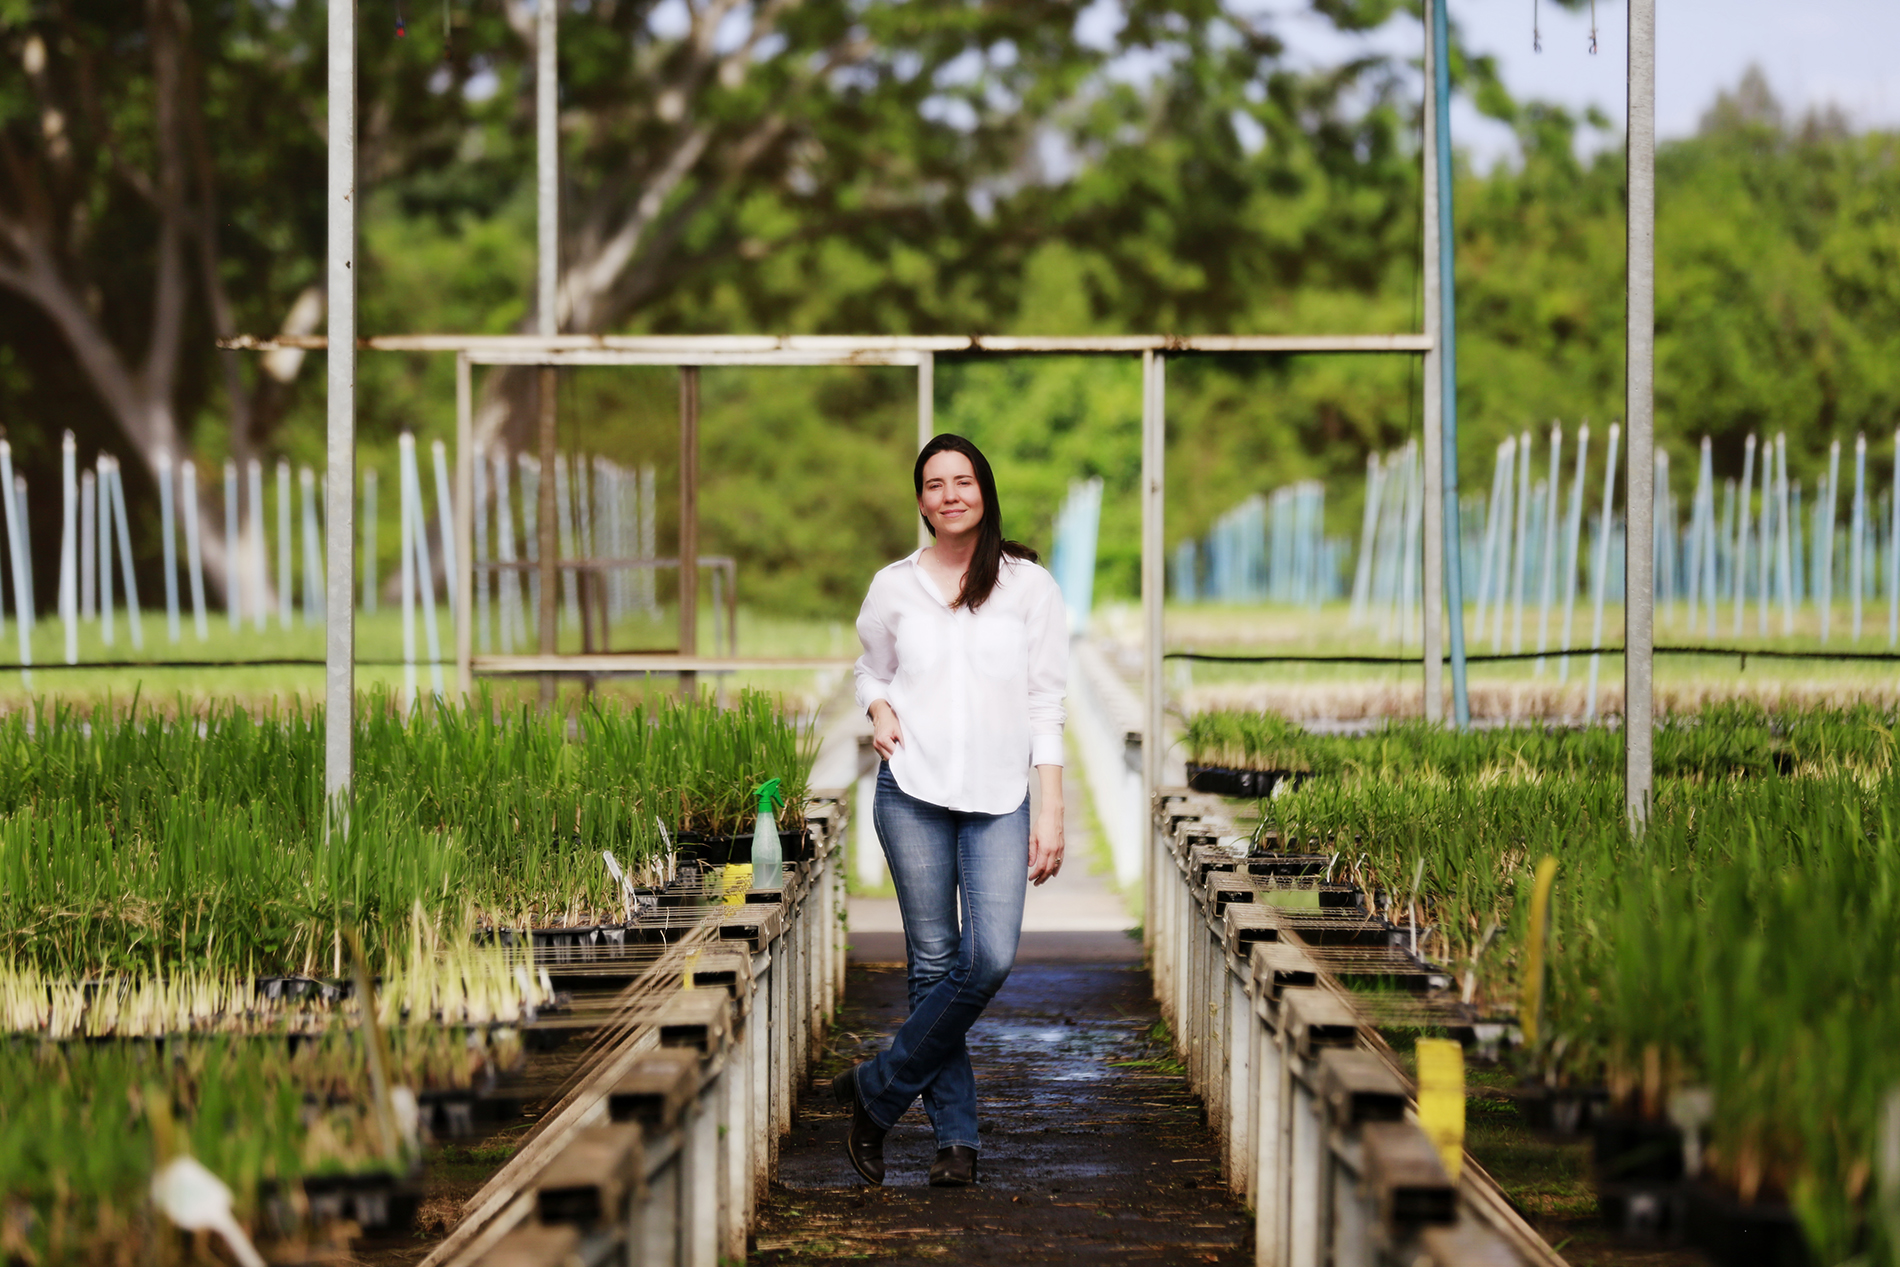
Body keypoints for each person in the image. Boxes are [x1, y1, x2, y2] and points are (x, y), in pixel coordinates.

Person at [833, 432, 1068, 1188]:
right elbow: (872, 663)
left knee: (988, 956)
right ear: (921, 500)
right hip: (914, 789)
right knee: (934, 964)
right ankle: (955, 1141)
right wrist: (876, 705)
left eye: (962, 480)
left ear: (984, 489)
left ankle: (879, 1089)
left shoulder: (1028, 586)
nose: (949, 494)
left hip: (1001, 795)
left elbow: (1047, 701)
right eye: (934, 484)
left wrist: (1051, 808)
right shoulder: (894, 585)